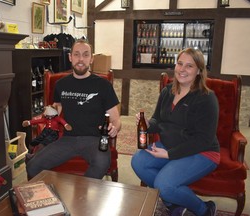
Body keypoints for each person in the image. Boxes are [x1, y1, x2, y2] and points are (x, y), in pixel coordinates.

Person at [131, 48, 220, 216]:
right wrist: (149, 124)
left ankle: (204, 209)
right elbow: (158, 119)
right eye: (180, 64)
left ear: (199, 71)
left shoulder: (206, 98)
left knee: (164, 184)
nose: (182, 70)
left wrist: (169, 154)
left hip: (202, 152)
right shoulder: (167, 91)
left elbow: (204, 140)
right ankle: (174, 204)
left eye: (189, 66)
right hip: (170, 146)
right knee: (138, 161)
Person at [26, 39, 121, 180]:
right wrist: (47, 115)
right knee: (33, 166)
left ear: (91, 59)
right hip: (67, 139)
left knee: (102, 162)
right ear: (70, 57)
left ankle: (80, 196)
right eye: (76, 54)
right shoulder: (61, 84)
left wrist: (114, 127)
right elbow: (55, 109)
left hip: (94, 140)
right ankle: (56, 195)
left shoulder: (103, 85)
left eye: (85, 55)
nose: (81, 59)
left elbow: (116, 119)